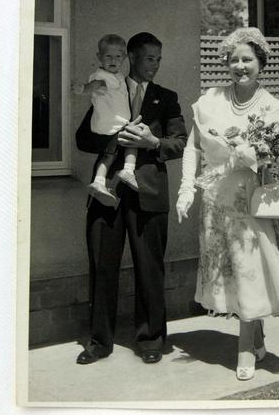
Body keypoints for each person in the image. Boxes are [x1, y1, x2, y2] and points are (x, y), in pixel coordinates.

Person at [176, 27, 279, 381]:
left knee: (251, 271)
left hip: (252, 202)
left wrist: (254, 156)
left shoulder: (273, 107)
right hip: (217, 201)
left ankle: (246, 347)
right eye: (234, 59)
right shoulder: (211, 100)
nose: (240, 65)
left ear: (261, 62)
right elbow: (193, 146)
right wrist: (186, 189)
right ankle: (256, 333)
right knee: (235, 275)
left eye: (247, 59)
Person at [74, 32, 188, 365]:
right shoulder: (109, 86)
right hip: (106, 189)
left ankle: (150, 339)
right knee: (102, 266)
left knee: (149, 269)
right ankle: (99, 342)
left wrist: (153, 142)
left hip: (148, 194)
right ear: (132, 58)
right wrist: (116, 138)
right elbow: (83, 138)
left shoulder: (166, 97)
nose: (155, 64)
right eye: (149, 58)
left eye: (159, 58)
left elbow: (179, 142)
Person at [72, 34, 138, 206]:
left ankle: (99, 182)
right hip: (112, 124)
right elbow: (93, 87)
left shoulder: (119, 77)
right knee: (132, 141)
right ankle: (128, 170)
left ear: (124, 58)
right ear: (99, 57)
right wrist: (82, 89)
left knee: (108, 156)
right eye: (108, 56)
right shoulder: (102, 77)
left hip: (114, 125)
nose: (113, 60)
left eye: (118, 57)